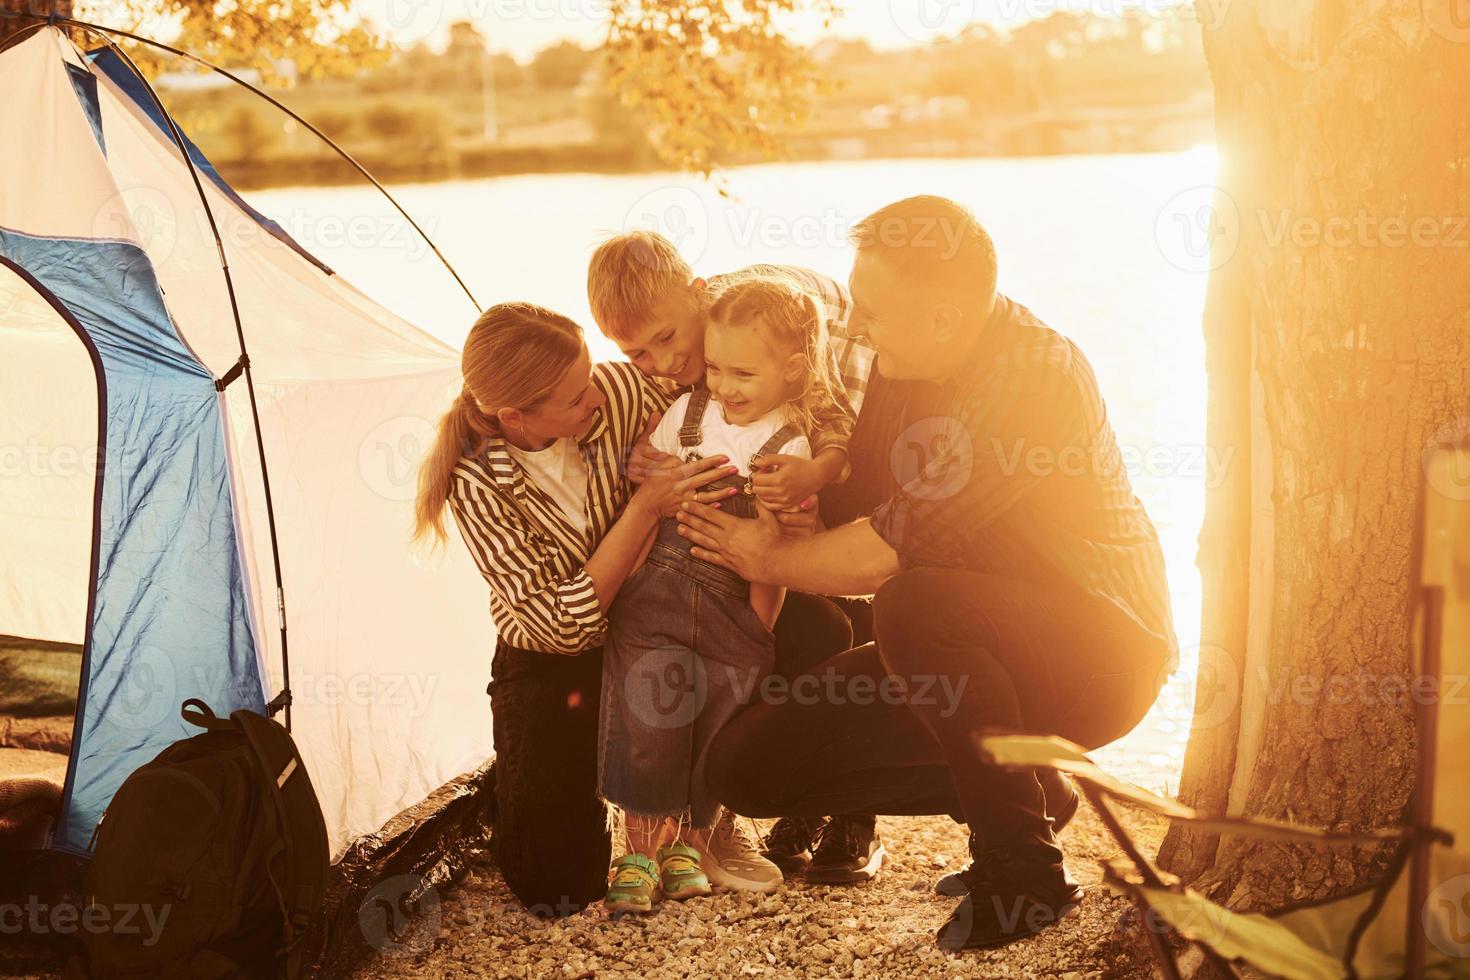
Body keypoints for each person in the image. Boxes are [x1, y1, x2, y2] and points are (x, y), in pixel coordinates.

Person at [674, 196, 1178, 950]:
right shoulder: (903, 361)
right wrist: (783, 492)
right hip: (962, 645)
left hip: (1102, 653)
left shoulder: (1034, 374)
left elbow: (887, 549)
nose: (857, 326)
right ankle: (1033, 793)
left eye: (872, 311)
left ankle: (1022, 869)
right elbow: (860, 500)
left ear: (942, 317)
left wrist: (763, 555)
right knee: (746, 773)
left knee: (912, 600)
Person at [412, 302, 736, 916]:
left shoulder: (614, 390)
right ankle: (523, 781)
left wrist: (669, 453)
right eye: (572, 395)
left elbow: (715, 379)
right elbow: (561, 627)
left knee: (788, 633)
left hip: (651, 625)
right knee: (557, 887)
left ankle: (702, 812)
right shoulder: (473, 480)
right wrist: (645, 508)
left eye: (589, 374)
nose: (595, 396)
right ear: (515, 415)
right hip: (554, 662)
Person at [587, 232, 890, 885]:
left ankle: (852, 815)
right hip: (765, 437)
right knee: (780, 603)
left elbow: (832, 416)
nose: (662, 362)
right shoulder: (696, 371)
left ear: (699, 293)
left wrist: (816, 478)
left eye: (668, 340)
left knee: (847, 581)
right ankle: (748, 811)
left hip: (849, 387)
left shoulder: (763, 331)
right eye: (637, 353)